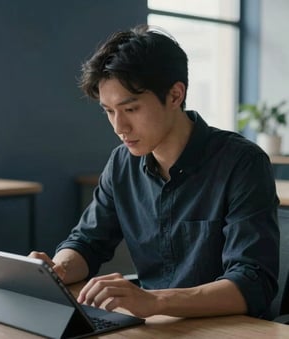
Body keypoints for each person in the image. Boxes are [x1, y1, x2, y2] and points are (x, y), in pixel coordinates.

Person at [30, 24, 279, 319]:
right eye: (109, 111)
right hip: (155, 325)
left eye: (131, 109)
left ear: (175, 95)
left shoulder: (242, 162)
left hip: (228, 329)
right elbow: (87, 242)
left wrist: (156, 301)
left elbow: (253, 282)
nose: (119, 127)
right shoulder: (122, 163)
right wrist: (59, 269)